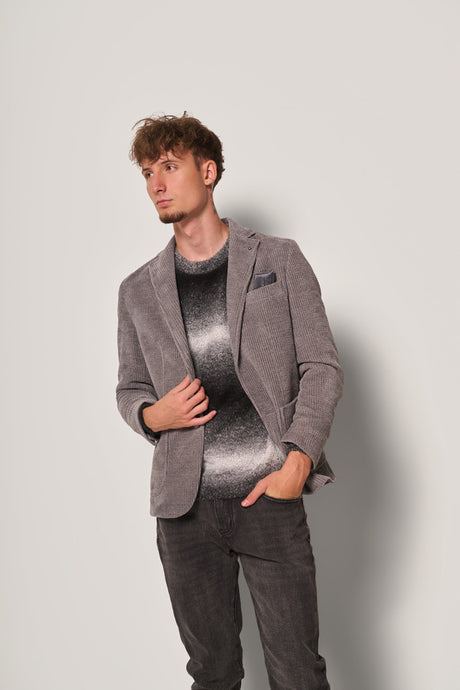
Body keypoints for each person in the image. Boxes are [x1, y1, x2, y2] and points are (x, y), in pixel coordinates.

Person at [116, 113, 344, 690]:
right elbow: (130, 388)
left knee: (297, 673)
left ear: (208, 171)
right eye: (147, 173)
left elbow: (321, 367)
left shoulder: (278, 260)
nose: (156, 184)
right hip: (184, 511)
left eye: (169, 167)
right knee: (212, 675)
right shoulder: (138, 290)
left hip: (268, 495)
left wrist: (297, 462)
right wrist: (153, 415)